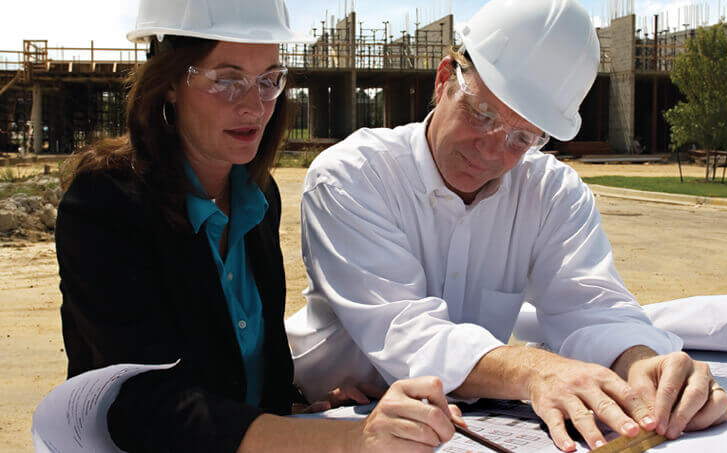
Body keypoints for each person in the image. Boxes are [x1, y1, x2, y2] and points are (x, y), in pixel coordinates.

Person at [286, 0, 727, 451]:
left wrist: (642, 362)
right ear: (445, 80)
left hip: (456, 422)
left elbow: (591, 304)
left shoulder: (550, 191)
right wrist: (534, 369)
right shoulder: (354, 175)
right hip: (331, 413)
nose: (492, 151)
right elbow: (402, 330)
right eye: (482, 114)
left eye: (522, 137)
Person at [56, 1, 465, 451]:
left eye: (269, 80)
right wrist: (346, 439)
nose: (254, 104)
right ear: (169, 82)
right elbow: (147, 408)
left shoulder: (258, 197)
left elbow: (244, 372)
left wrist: (297, 410)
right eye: (227, 80)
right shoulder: (106, 206)